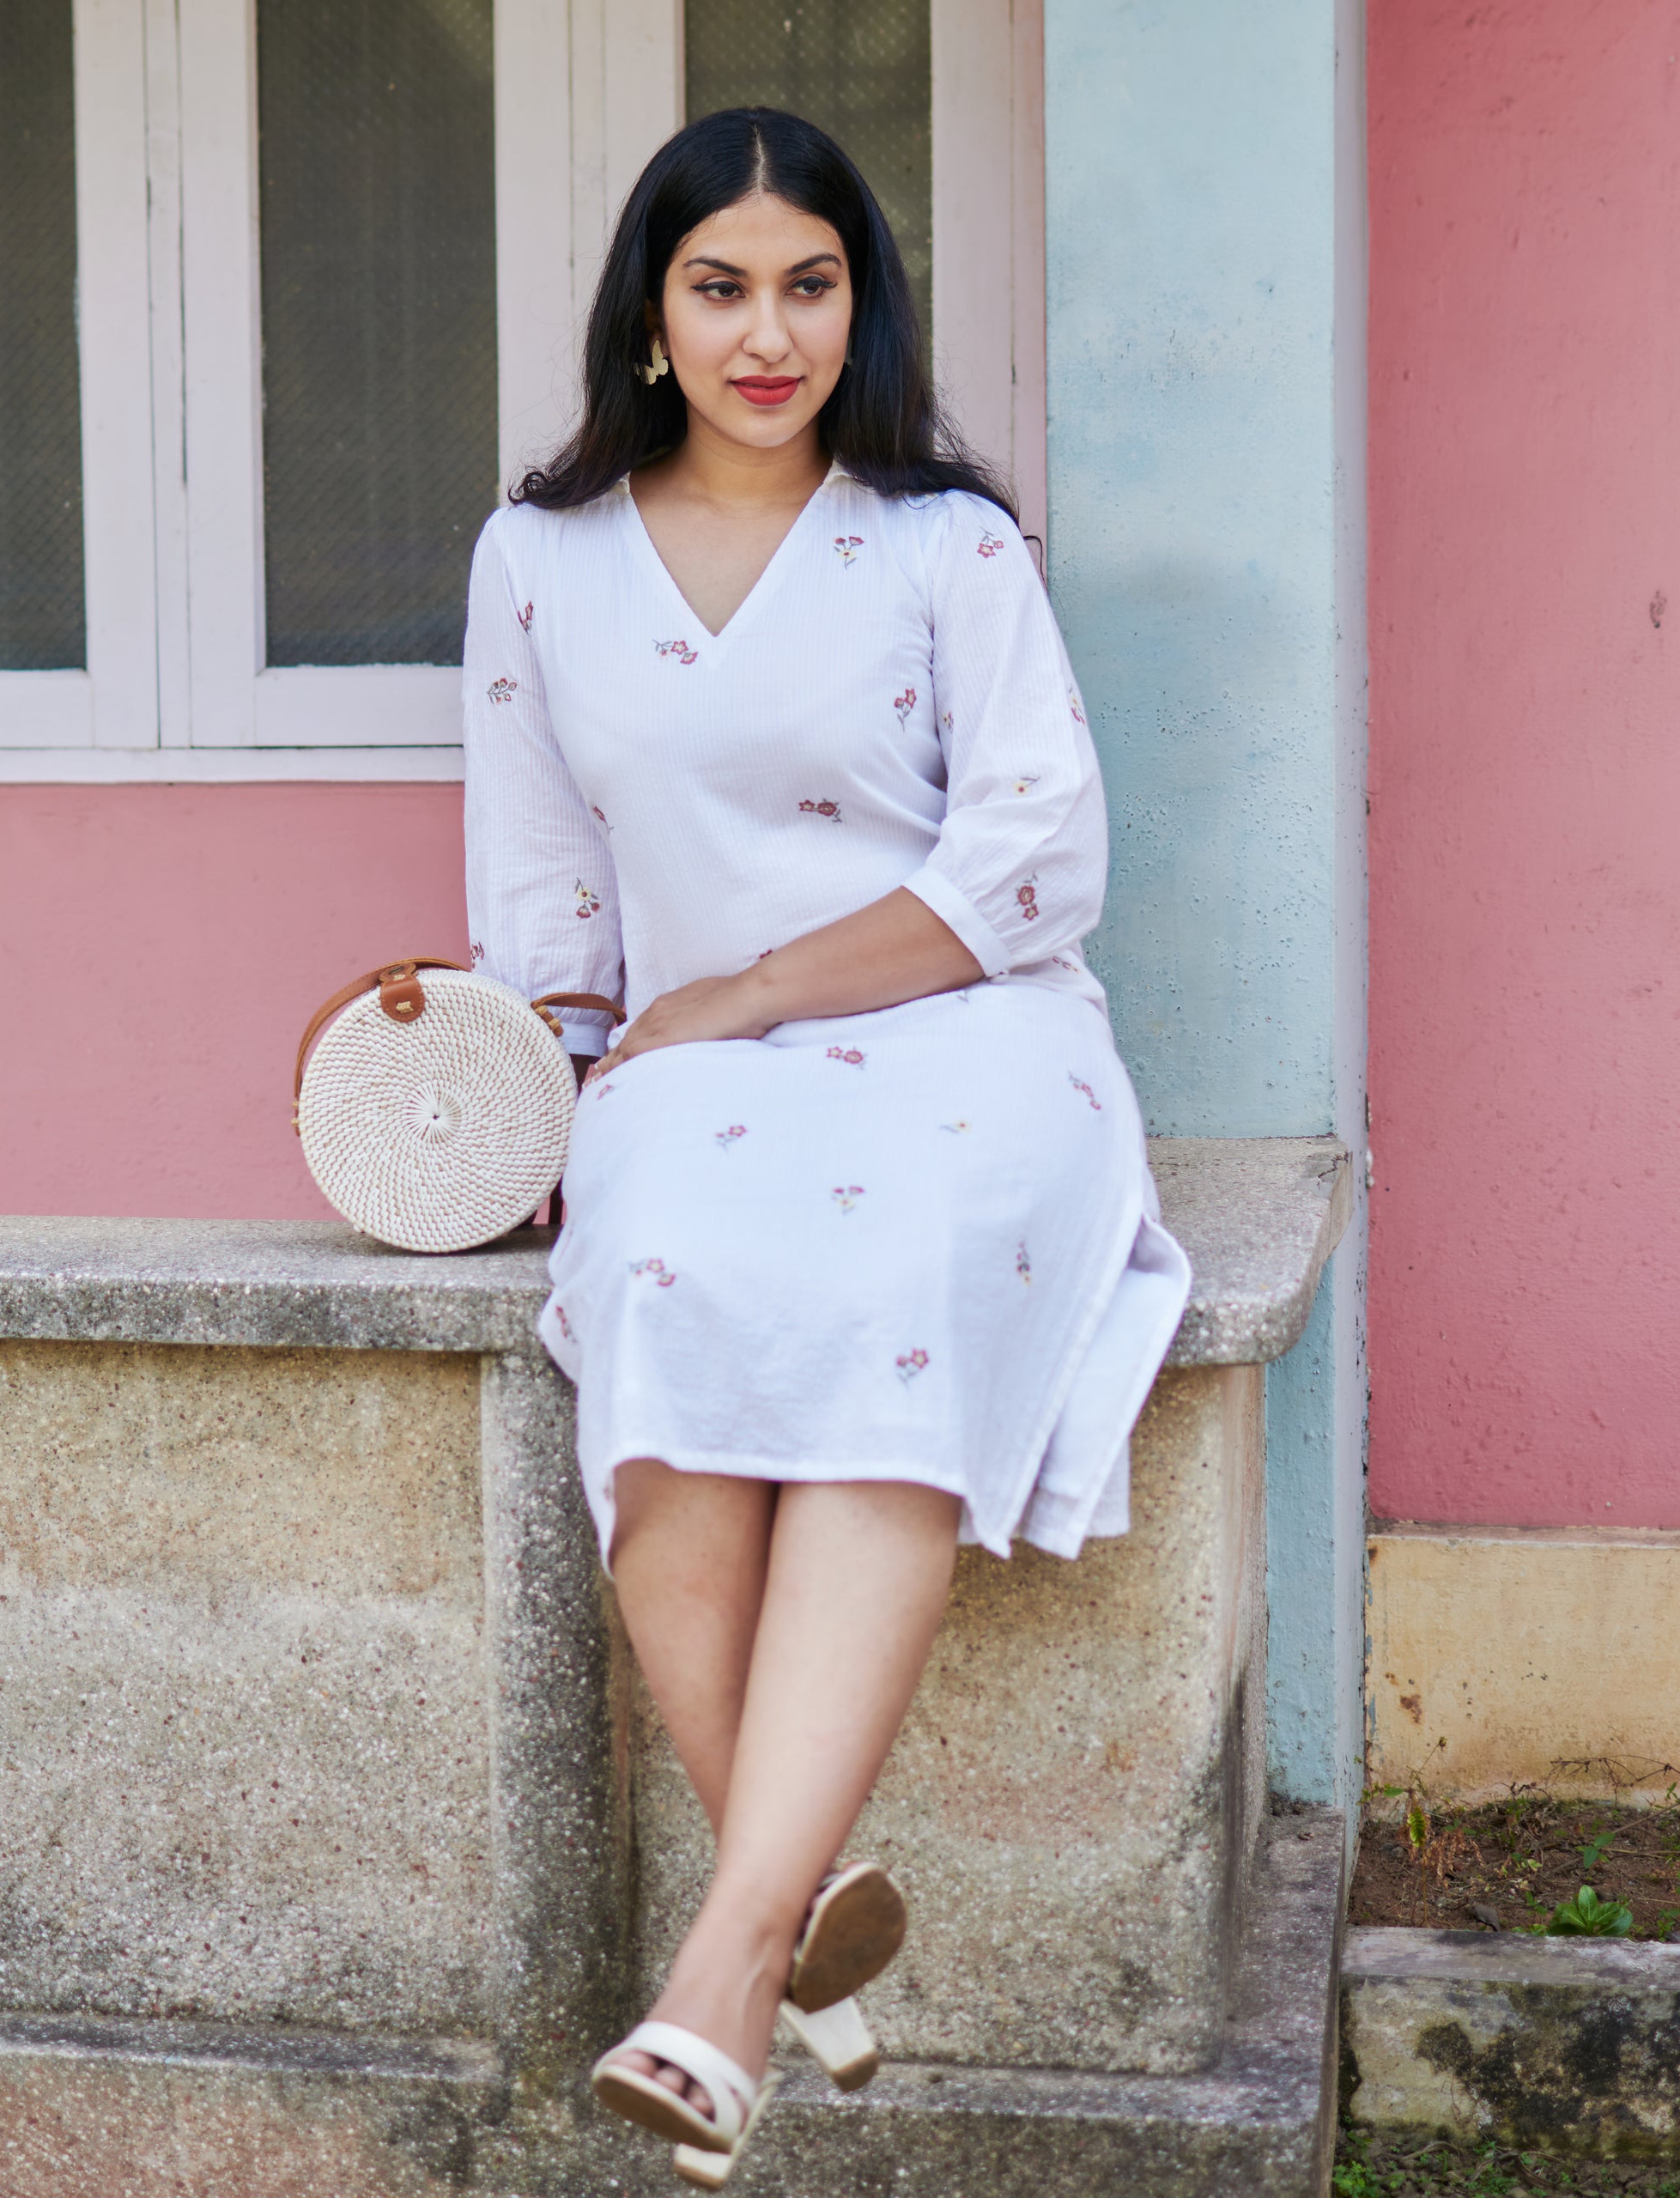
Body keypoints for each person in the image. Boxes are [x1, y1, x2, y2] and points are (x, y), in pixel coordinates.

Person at [462, 105, 1192, 2185]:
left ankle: (721, 1969)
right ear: (651, 314)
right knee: (657, 1292)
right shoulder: (539, 563)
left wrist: (759, 987)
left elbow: (1035, 861)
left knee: (888, 1283)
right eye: (720, 287)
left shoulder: (946, 545)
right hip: (686, 1069)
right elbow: (544, 895)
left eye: (809, 285)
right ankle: (789, 1921)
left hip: (974, 1039)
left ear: (860, 310)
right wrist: (550, 1095)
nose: (765, 334)